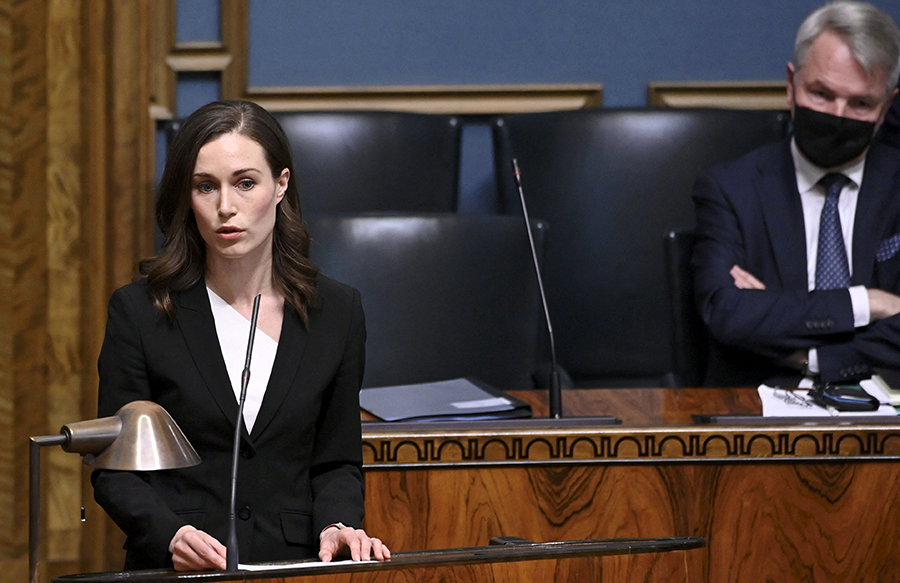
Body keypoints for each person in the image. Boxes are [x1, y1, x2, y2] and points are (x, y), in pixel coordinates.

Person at [92, 100, 390, 570]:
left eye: (245, 183)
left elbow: (336, 462)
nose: (225, 207)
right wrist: (170, 533)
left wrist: (337, 524)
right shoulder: (140, 312)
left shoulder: (337, 312)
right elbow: (115, 471)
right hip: (178, 568)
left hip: (292, 565)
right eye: (205, 187)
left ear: (281, 185)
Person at [693, 1, 900, 387]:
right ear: (790, 86)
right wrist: (869, 303)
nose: (838, 115)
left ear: (887, 107)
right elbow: (729, 314)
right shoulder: (731, 188)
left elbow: (756, 323)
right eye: (821, 94)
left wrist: (812, 357)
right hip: (760, 410)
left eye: (860, 103)